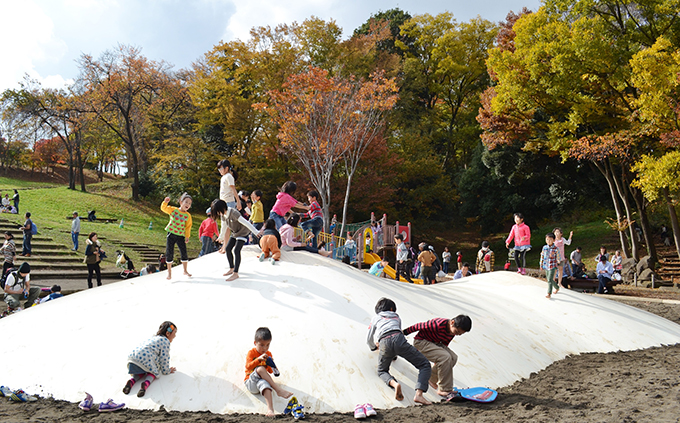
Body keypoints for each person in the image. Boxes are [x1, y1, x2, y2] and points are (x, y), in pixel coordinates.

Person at [367, 298, 432, 405]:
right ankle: (419, 395)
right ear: (392, 309)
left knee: (382, 371)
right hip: (398, 339)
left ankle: (394, 384)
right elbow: (397, 334)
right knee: (424, 364)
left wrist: (373, 347)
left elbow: (368, 338)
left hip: (384, 342)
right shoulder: (396, 317)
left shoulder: (375, 318)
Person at [403, 314, 472, 401]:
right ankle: (444, 389)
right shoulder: (439, 323)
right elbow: (418, 326)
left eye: (460, 334)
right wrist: (403, 333)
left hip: (435, 343)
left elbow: (445, 344)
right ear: (452, 322)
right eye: (457, 332)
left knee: (453, 357)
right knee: (445, 357)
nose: (457, 334)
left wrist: (440, 360)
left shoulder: (452, 331)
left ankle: (432, 378)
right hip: (421, 342)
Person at [244, 327, 293, 417]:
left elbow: (270, 372)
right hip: (251, 382)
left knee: (265, 384)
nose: (265, 348)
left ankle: (270, 410)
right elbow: (247, 366)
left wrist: (272, 365)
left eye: (267, 345)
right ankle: (278, 390)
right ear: (255, 343)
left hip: (259, 384)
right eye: (262, 345)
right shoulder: (252, 353)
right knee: (260, 369)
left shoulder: (268, 354)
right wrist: (258, 360)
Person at [122, 321, 177, 398]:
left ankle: (132, 381)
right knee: (154, 371)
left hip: (132, 360)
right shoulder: (165, 341)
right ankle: (145, 384)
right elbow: (164, 358)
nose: (175, 336)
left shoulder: (153, 338)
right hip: (145, 359)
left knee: (141, 371)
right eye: (174, 333)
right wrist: (167, 370)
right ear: (168, 333)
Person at [211, 199, 261, 281]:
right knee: (227, 249)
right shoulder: (223, 214)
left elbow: (246, 222)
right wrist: (221, 237)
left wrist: (256, 232)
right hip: (235, 232)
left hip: (243, 232)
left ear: (222, 208)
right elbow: (224, 226)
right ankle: (231, 268)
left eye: (217, 211)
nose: (217, 213)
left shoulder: (233, 213)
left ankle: (236, 273)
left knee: (237, 250)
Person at [161, 194, 193, 280]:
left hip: (180, 236)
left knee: (184, 252)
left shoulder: (188, 216)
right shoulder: (173, 210)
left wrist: (187, 236)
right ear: (181, 202)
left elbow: (188, 226)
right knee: (169, 253)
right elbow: (164, 209)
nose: (187, 204)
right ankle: (169, 273)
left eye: (189, 203)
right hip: (171, 234)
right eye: (186, 202)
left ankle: (185, 271)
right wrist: (165, 202)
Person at [217, 159, 240, 251]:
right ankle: (224, 246)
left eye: (221, 169)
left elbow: (233, 189)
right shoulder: (224, 177)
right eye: (218, 169)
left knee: (226, 224)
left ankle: (223, 241)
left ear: (226, 168)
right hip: (223, 202)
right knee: (225, 224)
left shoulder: (229, 176)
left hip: (229, 202)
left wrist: (238, 202)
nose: (220, 171)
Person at [540, 233, 561, 299]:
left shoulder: (556, 248)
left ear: (554, 240)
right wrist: (541, 264)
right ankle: (557, 287)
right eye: (547, 239)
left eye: (550, 240)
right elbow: (542, 256)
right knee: (549, 279)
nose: (548, 241)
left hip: (552, 266)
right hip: (546, 265)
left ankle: (549, 293)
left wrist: (558, 260)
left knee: (549, 279)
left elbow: (558, 256)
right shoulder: (544, 247)